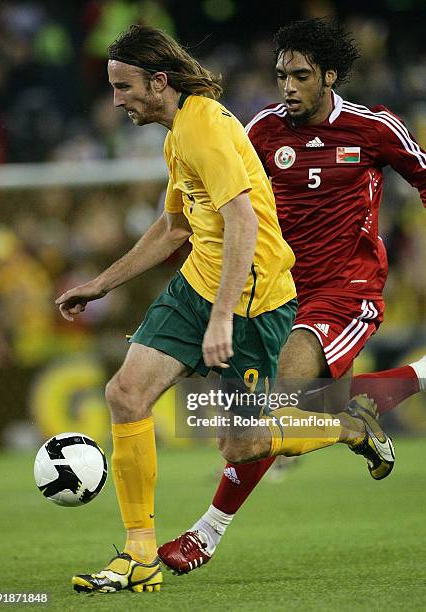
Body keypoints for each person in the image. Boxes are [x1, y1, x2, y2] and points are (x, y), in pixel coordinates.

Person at [56, 23, 395, 595]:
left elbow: (243, 221)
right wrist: (102, 283)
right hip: (197, 286)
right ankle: (139, 555)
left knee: (243, 442)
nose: (116, 100)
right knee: (124, 395)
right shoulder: (176, 135)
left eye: (123, 87)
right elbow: (173, 228)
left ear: (158, 82)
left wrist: (222, 320)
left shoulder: (205, 128)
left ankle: (348, 427)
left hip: (255, 301)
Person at [158, 18, 426, 575]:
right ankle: (377, 402)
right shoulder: (259, 132)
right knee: (243, 438)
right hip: (275, 294)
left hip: (346, 291)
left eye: (300, 75)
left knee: (283, 397)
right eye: (281, 74)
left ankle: (204, 535)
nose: (287, 86)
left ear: (329, 76)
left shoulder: (373, 128)